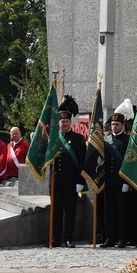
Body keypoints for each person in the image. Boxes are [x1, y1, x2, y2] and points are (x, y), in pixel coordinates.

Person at [51, 95, 85, 248]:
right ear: (59, 122)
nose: (64, 124)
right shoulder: (54, 138)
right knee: (56, 211)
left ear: (70, 123)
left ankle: (69, 238)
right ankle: (56, 238)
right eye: (62, 121)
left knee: (70, 210)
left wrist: (80, 181)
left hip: (71, 181)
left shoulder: (78, 139)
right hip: (56, 181)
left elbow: (82, 161)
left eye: (66, 122)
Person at [102, 99, 133, 247]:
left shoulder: (128, 140)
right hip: (109, 180)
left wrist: (127, 182)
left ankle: (122, 238)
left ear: (123, 125)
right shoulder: (107, 140)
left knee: (122, 211)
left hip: (122, 181)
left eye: (117, 124)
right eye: (112, 124)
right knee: (110, 211)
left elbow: (130, 162)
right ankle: (111, 237)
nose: (114, 126)